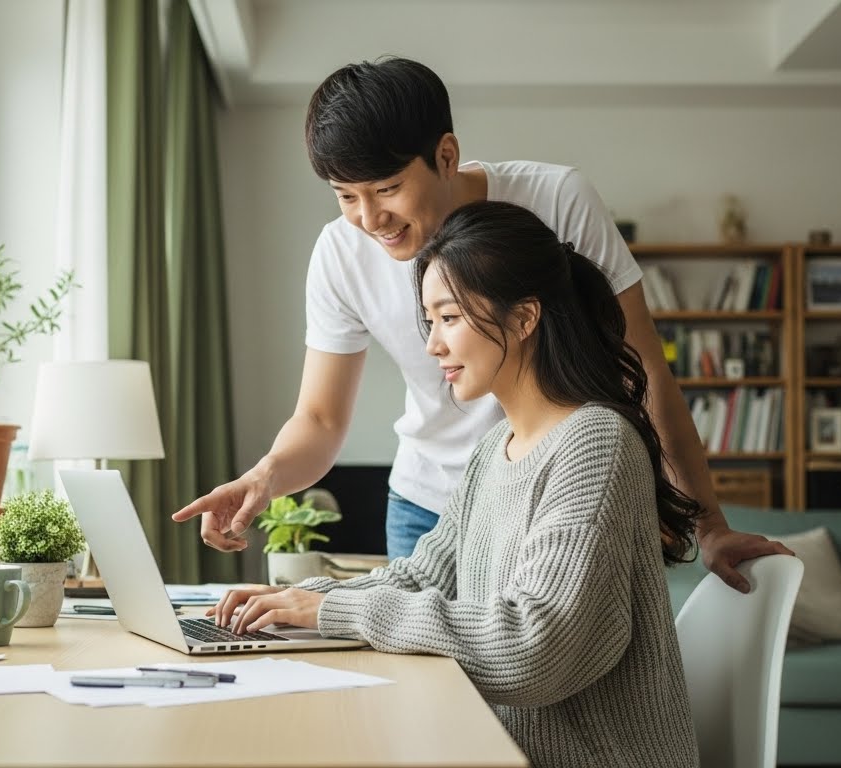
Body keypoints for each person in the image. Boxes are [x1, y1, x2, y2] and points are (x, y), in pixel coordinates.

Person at [172, 56, 788, 589]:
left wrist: (708, 525)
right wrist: (263, 478)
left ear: (446, 154)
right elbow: (321, 419)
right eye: (345, 195)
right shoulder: (340, 253)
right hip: (429, 508)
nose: (369, 218)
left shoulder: (556, 202)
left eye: (387, 188)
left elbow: (645, 370)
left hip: (558, 494)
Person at [211, 201, 700, 767]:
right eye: (430, 321)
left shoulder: (594, 443)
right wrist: (300, 602)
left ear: (524, 318)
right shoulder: (494, 449)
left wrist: (331, 615)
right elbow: (424, 577)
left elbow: (534, 646)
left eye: (450, 318)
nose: (432, 346)